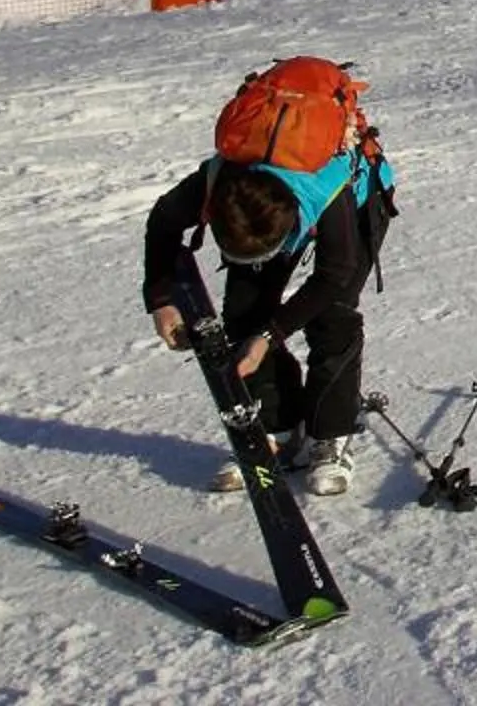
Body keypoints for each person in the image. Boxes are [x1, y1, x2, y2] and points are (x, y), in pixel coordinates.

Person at [142, 129, 395, 497]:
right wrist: (161, 300)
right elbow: (164, 221)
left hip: (359, 195)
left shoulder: (326, 190)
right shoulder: (218, 185)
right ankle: (279, 427)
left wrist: (270, 336)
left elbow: (333, 276)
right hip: (259, 207)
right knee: (246, 313)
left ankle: (329, 435)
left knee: (333, 316)